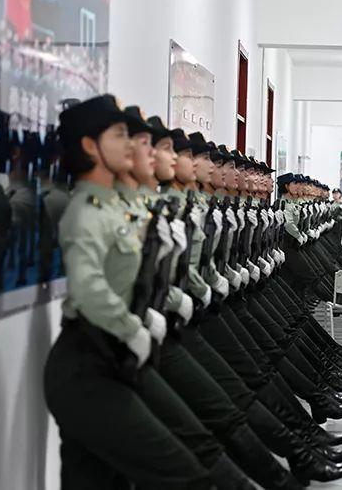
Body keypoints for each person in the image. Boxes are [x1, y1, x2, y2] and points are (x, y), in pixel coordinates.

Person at [43, 94, 251, 489]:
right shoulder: (86, 211)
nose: (130, 144)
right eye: (119, 135)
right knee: (184, 473)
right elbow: (88, 287)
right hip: (88, 361)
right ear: (90, 146)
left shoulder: (119, 208)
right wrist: (131, 327)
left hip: (115, 354)